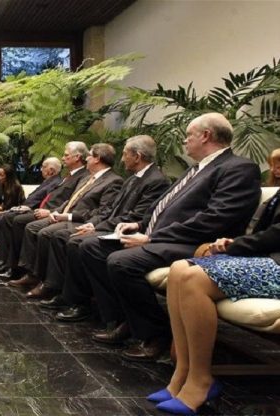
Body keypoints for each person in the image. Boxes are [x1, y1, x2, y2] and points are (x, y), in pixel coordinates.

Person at [78, 113, 261, 362]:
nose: (184, 142)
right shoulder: (196, 169)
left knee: (122, 262)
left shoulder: (238, 168)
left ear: (206, 136)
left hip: (199, 246)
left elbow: (215, 218)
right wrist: (140, 224)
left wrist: (152, 238)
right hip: (167, 238)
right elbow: (164, 208)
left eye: (188, 136)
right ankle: (125, 320)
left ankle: (156, 334)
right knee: (91, 247)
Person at [151, 185, 280, 415]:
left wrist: (235, 246)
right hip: (268, 258)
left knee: (193, 278)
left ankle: (201, 380)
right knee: (179, 269)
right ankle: (183, 371)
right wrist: (234, 243)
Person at [39, 135, 170, 321]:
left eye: (125, 154)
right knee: (70, 238)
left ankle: (83, 303)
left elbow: (135, 216)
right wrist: (94, 224)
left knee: (76, 242)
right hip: (110, 225)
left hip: (127, 231)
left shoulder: (156, 181)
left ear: (137, 156)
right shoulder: (133, 179)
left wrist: (97, 226)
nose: (122, 159)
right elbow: (111, 209)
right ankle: (75, 298)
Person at [16, 143, 124, 300]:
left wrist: (69, 217)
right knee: (33, 227)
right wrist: (56, 212)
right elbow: (70, 200)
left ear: (97, 159)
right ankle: (36, 275)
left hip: (80, 220)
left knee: (48, 233)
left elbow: (102, 211)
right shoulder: (87, 178)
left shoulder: (113, 181)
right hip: (65, 216)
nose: (86, 158)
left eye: (89, 156)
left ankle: (51, 284)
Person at [0, 142, 89, 280]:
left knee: (17, 220)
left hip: (54, 212)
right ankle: (9, 263)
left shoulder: (82, 177)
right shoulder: (69, 176)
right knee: (10, 217)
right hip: (47, 210)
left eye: (66, 155)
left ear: (77, 157)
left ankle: (19, 268)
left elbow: (71, 201)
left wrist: (50, 212)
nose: (63, 158)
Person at [0, 157, 62, 263]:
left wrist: (30, 208)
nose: (41, 169)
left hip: (31, 209)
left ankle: (9, 259)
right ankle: (1, 255)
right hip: (24, 208)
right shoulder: (47, 182)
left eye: (43, 167)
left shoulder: (55, 183)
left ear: (51, 170)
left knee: (7, 218)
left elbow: (46, 200)